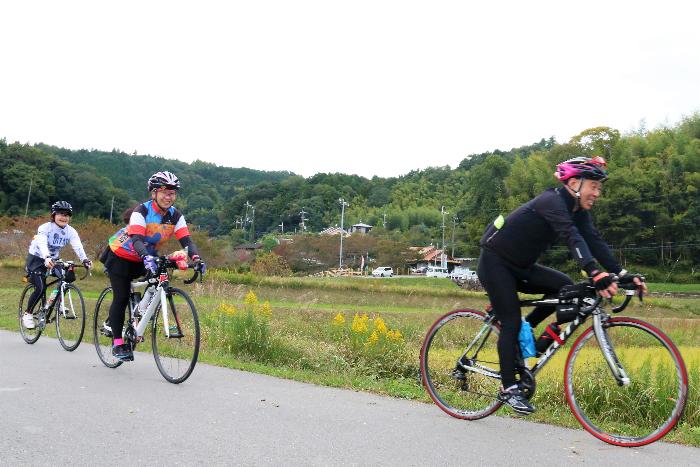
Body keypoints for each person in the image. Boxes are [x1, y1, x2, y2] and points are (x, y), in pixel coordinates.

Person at [476, 156, 647, 415]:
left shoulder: (578, 211)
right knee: (510, 320)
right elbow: (571, 236)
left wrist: (621, 274)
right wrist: (593, 272)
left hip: (521, 266)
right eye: (594, 186)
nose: (597, 193)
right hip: (495, 262)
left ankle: (527, 330)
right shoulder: (551, 201)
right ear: (575, 183)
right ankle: (508, 388)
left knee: (564, 287)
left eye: (600, 188)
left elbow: (594, 241)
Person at [102, 171, 206, 361]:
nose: (169, 197)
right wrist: (146, 257)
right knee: (122, 296)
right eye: (165, 192)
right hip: (121, 254)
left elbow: (186, 240)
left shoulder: (175, 215)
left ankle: (139, 313)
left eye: (173, 193)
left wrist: (197, 258)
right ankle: (118, 343)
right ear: (154, 193)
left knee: (159, 280)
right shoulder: (141, 211)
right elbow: (136, 239)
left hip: (146, 255)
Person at [22, 201, 92, 329]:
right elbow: (42, 243)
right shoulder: (45, 228)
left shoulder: (71, 231)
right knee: (41, 286)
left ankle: (58, 301)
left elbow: (78, 246)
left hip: (53, 259)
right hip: (37, 258)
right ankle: (28, 314)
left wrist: (85, 260)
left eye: (67, 215)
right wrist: (46, 257)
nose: (64, 217)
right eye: (60, 214)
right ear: (53, 215)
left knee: (69, 276)